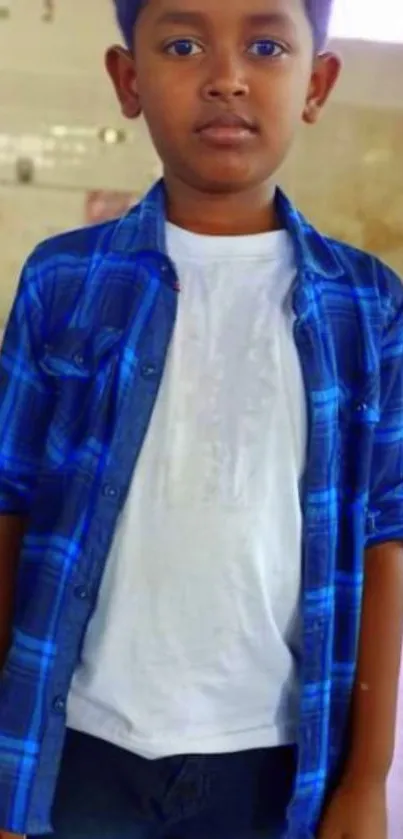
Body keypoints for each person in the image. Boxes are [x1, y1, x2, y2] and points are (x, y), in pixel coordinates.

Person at [0, 0, 403, 837]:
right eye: (182, 44)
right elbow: (9, 507)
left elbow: (384, 534)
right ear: (128, 78)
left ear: (315, 83)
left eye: (264, 45)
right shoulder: (62, 282)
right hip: (81, 746)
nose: (226, 76)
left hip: (273, 761)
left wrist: (365, 779)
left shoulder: (367, 305)